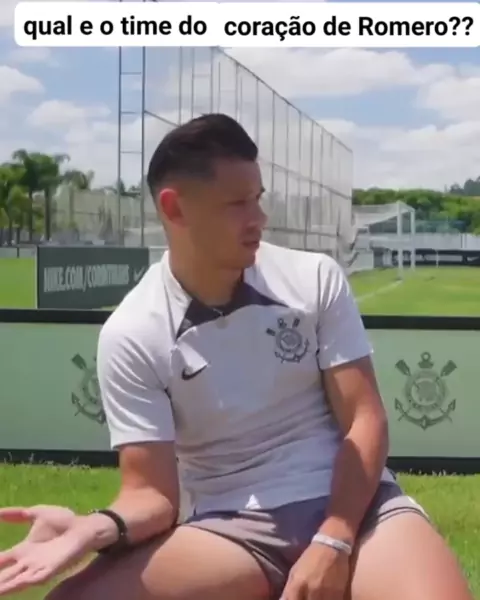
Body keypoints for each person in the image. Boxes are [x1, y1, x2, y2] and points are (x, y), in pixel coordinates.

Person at [0, 114, 473, 600]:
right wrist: (94, 528)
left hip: (356, 509)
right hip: (230, 530)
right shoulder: (133, 331)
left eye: (257, 198)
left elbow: (365, 420)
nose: (258, 219)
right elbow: (151, 494)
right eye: (237, 204)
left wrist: (334, 537)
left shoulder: (313, 277)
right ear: (174, 208)